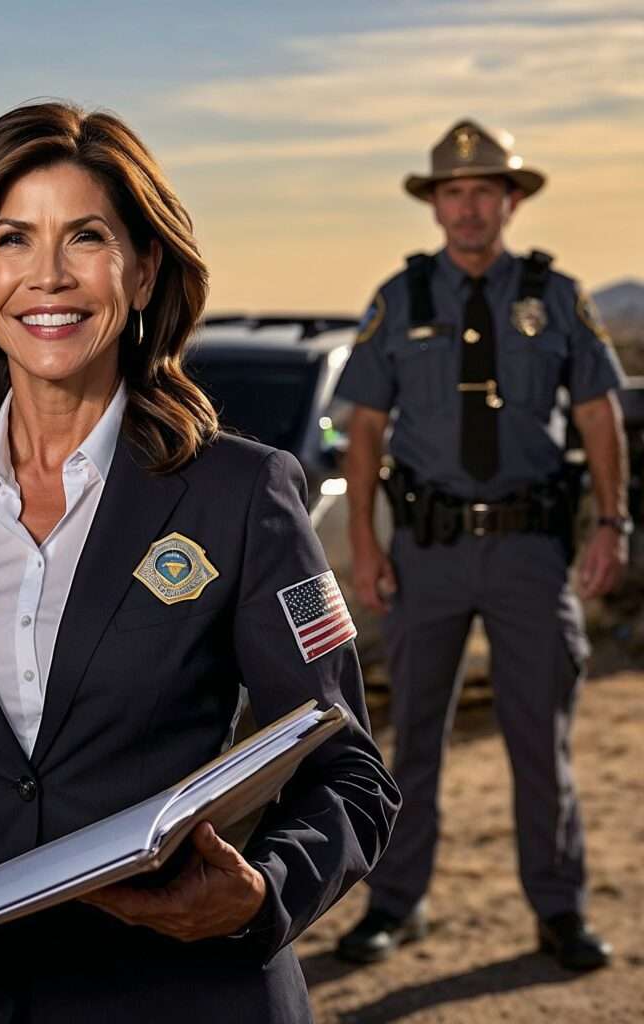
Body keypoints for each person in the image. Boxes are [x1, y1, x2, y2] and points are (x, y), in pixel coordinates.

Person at [0, 101, 399, 1024]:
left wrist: (261, 893)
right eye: (11, 239)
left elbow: (349, 770)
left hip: (188, 995)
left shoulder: (240, 493)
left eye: (86, 237)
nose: (48, 276)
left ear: (143, 271)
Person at [333, 119, 629, 970]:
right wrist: (365, 540)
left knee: (541, 736)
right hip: (428, 552)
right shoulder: (400, 300)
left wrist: (612, 523)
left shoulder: (558, 298)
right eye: (452, 193)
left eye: (483, 191)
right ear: (435, 207)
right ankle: (396, 903)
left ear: (510, 200)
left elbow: (599, 413)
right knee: (412, 736)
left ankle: (559, 909)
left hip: (532, 552)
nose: (468, 208)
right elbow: (365, 429)